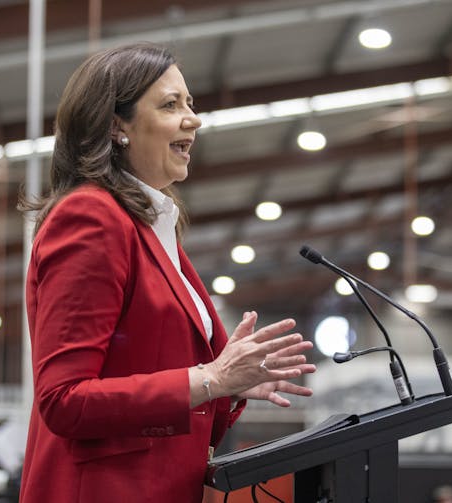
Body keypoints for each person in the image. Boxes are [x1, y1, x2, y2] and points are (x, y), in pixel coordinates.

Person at [18, 42, 316, 503]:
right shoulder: (90, 218)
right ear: (117, 125)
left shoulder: (151, 228)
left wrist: (233, 384)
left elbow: (172, 391)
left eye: (191, 104)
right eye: (171, 105)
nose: (193, 119)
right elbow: (65, 400)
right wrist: (212, 378)